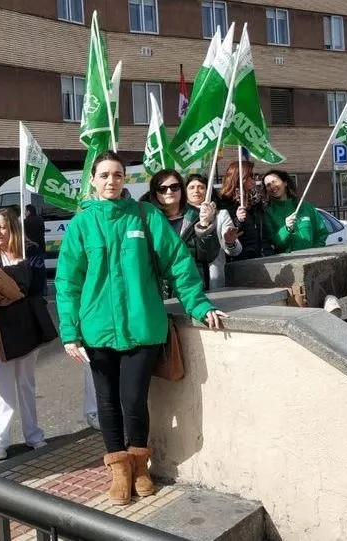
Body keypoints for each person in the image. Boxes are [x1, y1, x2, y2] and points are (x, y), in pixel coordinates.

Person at [55, 151, 226, 506]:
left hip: (142, 325)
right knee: (107, 401)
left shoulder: (146, 216)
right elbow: (68, 281)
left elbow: (177, 262)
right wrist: (69, 332)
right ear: (93, 180)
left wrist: (198, 304)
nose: (111, 181)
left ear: (124, 180)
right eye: (104, 175)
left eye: (117, 175)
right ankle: (118, 469)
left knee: (133, 399)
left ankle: (139, 465)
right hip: (97, 329)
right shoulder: (82, 224)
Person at [0, 208, 56, 460]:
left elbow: (35, 286)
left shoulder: (30, 250)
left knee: (26, 383)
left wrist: (1, 284)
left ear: (13, 228)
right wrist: (9, 286)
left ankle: (34, 435)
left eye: (3, 227)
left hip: (26, 324)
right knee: (1, 386)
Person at [148, 169, 220, 289]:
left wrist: (204, 226)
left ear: (182, 189)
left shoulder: (198, 216)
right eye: (162, 189)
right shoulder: (148, 220)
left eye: (174, 187)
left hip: (192, 285)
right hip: (159, 289)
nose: (169, 191)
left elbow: (209, 256)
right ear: (155, 193)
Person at [186, 174, 242, 289]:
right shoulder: (179, 216)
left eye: (201, 187)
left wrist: (230, 243)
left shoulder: (221, 215)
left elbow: (235, 251)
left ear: (208, 191)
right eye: (191, 187)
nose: (196, 191)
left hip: (211, 278)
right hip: (185, 274)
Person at [215, 161, 274, 260]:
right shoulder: (223, 203)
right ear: (239, 178)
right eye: (250, 176)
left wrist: (269, 251)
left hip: (264, 256)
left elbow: (262, 232)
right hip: (242, 260)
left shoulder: (256, 201)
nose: (254, 180)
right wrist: (237, 220)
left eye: (255, 176)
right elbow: (226, 234)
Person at [263, 170, 329, 253]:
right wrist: (286, 229)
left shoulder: (307, 207)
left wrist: (314, 251)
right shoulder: (268, 213)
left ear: (285, 183)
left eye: (274, 182)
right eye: (268, 185)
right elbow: (274, 244)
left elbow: (321, 233)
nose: (272, 186)